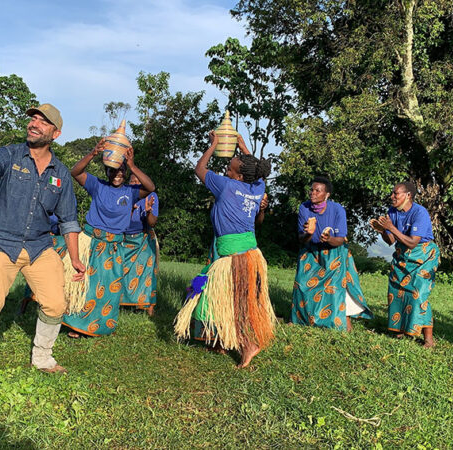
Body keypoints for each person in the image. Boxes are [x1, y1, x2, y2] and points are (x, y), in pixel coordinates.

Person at [0, 103, 85, 386]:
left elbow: (69, 220)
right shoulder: (8, 154)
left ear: (55, 133)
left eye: (42, 121)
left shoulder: (61, 173)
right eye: (32, 118)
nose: (34, 124)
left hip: (39, 247)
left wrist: (75, 258)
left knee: (56, 304)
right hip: (2, 244)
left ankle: (43, 357)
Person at [174, 133, 276, 368]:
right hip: (247, 253)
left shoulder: (227, 186)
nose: (227, 171)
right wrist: (243, 147)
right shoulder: (257, 187)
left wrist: (214, 145)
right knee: (226, 299)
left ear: (238, 176)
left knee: (232, 300)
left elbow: (200, 168)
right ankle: (221, 339)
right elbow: (256, 171)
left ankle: (248, 344)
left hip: (234, 258)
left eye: (230, 169)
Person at [62, 139, 156, 337]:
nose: (117, 174)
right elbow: (75, 172)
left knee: (107, 287)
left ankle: (101, 325)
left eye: (122, 171)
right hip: (91, 241)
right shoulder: (98, 186)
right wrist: (93, 153)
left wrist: (132, 165)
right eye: (113, 170)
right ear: (107, 171)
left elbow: (150, 186)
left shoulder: (130, 192)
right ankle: (76, 326)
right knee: (85, 285)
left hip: (114, 246)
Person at [290, 177, 372, 331]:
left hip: (334, 252)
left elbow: (340, 239)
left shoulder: (337, 209)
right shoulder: (304, 208)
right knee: (302, 283)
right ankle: (302, 319)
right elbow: (302, 239)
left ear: (326, 195)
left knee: (333, 288)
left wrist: (329, 239)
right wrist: (309, 233)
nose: (313, 193)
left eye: (317, 191)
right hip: (311, 251)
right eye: (312, 190)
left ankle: (339, 323)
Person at [372, 181, 438, 347]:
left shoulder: (419, 212)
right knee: (397, 290)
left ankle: (428, 339)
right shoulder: (392, 212)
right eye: (392, 193)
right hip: (402, 257)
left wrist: (391, 228)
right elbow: (391, 240)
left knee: (418, 293)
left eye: (396, 193)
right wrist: (382, 230)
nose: (392, 196)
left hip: (423, 257)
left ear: (408, 195)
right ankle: (401, 330)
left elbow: (412, 243)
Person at [119, 173, 159, 316]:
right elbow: (118, 220)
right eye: (132, 181)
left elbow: (153, 222)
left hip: (143, 238)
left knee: (146, 272)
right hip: (123, 239)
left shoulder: (151, 196)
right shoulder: (124, 195)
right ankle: (120, 303)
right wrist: (129, 210)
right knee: (120, 270)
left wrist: (148, 212)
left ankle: (147, 307)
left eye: (138, 181)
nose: (135, 183)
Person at [18, 214, 69, 315]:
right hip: (41, 238)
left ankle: (55, 309)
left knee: (57, 277)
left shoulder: (68, 199)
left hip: (60, 241)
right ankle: (24, 304)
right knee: (34, 271)